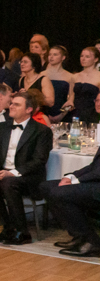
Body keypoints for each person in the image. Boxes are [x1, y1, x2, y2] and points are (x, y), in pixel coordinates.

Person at [0, 91, 52, 245]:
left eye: (16, 104)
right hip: (2, 173)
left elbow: (39, 160)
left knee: (8, 182)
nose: (11, 106)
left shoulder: (42, 131)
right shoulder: (1, 127)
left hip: (28, 177)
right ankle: (8, 227)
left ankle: (23, 232)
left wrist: (12, 173)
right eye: (11, 103)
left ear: (29, 109)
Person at [42, 90, 100, 256]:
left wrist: (75, 181)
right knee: (46, 187)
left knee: (60, 192)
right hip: (95, 180)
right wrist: (71, 176)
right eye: (96, 100)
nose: (98, 104)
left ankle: (92, 241)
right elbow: (94, 166)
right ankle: (79, 235)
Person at [67, 46, 100, 124]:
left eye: (87, 57)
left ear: (96, 59)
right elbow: (71, 96)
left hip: (92, 113)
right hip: (75, 113)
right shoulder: (75, 76)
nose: (83, 59)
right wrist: (69, 102)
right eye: (82, 56)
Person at [43, 45, 74, 121]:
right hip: (44, 114)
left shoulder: (70, 76)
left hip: (63, 115)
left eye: (55, 54)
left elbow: (71, 100)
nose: (51, 57)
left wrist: (62, 114)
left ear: (63, 57)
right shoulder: (42, 74)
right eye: (50, 54)